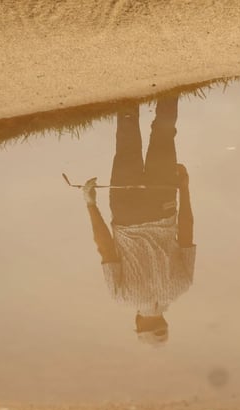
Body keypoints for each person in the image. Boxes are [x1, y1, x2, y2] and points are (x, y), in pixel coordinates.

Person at [83, 95, 196, 345]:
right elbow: (105, 247)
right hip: (127, 211)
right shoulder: (123, 297)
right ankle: (126, 93)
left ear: (163, 321)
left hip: (163, 202)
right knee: (127, 146)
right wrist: (91, 203)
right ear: (139, 323)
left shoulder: (182, 285)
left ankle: (171, 86)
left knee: (164, 135)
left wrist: (184, 188)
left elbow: (186, 230)